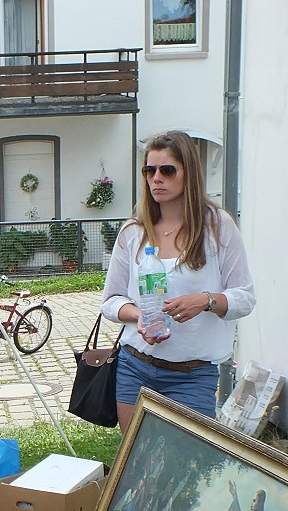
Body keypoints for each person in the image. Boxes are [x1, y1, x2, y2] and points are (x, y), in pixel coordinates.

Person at [101, 130, 257, 428]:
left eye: (167, 170)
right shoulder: (134, 231)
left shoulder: (218, 228)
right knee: (136, 464)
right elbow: (110, 301)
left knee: (189, 468)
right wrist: (139, 317)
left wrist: (206, 301)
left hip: (192, 375)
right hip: (135, 367)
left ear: (189, 174)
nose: (156, 178)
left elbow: (245, 297)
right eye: (150, 170)